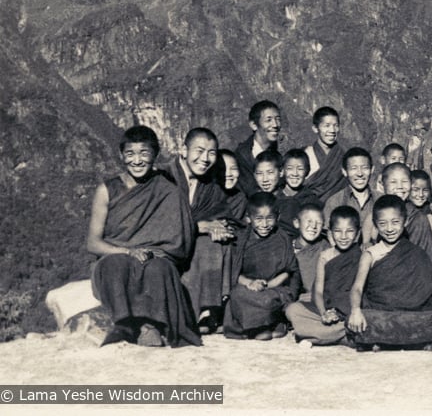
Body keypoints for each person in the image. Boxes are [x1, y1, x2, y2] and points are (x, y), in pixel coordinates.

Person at [87, 125, 200, 347]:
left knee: (159, 269)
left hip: (154, 256)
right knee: (116, 265)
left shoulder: (167, 190)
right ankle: (124, 325)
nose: (137, 161)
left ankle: (152, 325)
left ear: (155, 155)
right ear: (121, 155)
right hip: (115, 255)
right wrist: (128, 251)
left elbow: (179, 241)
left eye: (144, 154)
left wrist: (155, 254)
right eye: (130, 154)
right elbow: (92, 243)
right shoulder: (106, 190)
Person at [346, 196, 432, 350]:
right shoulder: (370, 254)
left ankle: (382, 341)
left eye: (395, 222)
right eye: (383, 224)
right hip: (382, 311)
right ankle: (419, 340)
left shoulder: (415, 252)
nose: (389, 229)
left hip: (413, 312)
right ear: (375, 226)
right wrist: (356, 311)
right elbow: (357, 288)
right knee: (361, 319)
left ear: (405, 222)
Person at [171, 127, 234, 335]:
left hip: (192, 245)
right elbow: (160, 223)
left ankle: (208, 310)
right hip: (166, 245)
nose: (205, 159)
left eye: (212, 153)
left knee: (213, 243)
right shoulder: (165, 176)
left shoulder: (210, 184)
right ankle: (189, 311)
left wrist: (218, 228)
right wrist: (200, 227)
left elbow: (221, 213)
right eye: (199, 150)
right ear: (183, 150)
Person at [223, 193, 301, 340]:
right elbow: (233, 272)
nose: (264, 225)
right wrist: (249, 283)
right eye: (258, 219)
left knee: (271, 299)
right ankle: (262, 326)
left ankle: (272, 324)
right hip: (247, 287)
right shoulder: (241, 239)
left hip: (274, 287)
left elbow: (289, 272)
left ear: (278, 217)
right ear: (248, 218)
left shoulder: (282, 237)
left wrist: (268, 285)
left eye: (269, 218)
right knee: (237, 295)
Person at [285, 206, 362, 346]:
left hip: (348, 309)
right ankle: (345, 335)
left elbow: (358, 291)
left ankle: (315, 335)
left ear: (358, 233)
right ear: (331, 233)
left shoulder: (361, 256)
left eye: (350, 231)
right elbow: (318, 292)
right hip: (326, 307)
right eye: (338, 231)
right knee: (292, 310)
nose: (343, 237)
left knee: (363, 315)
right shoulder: (325, 256)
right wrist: (323, 314)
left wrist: (339, 311)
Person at [382, 162, 432, 261]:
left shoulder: (418, 219)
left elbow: (424, 258)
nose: (400, 187)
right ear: (382, 184)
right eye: (393, 182)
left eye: (404, 181)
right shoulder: (378, 209)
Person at [322, 147, 376, 244]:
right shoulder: (334, 201)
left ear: (372, 169)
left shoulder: (381, 199)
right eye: (353, 168)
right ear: (344, 171)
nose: (360, 173)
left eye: (365, 168)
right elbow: (330, 235)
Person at [234, 101, 282, 197]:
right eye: (269, 120)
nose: (275, 125)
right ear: (253, 125)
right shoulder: (242, 156)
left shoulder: (277, 151)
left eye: (278, 119)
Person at [303, 106, 347, 202]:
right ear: (315, 128)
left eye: (336, 125)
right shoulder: (305, 155)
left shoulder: (344, 157)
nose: (332, 130)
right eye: (327, 126)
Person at [275, 149, 321, 238]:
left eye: (300, 169)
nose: (295, 174)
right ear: (282, 171)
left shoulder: (311, 200)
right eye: (290, 168)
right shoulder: (274, 196)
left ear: (307, 171)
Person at [291, 204, 329, 302]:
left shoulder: (325, 247)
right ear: (296, 223)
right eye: (309, 221)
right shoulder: (288, 247)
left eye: (319, 223)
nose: (313, 226)